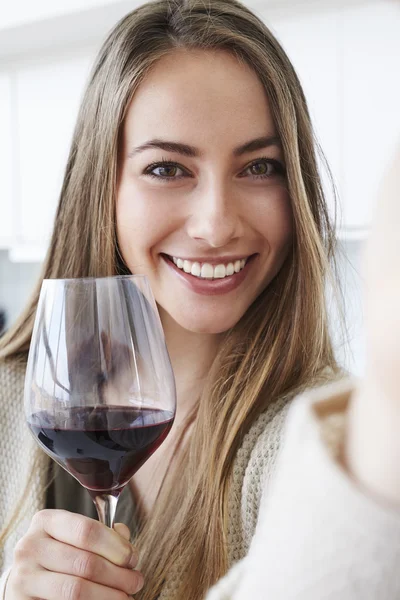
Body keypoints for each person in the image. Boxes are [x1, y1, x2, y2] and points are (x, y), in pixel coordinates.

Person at [0, 0, 399, 598]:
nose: (216, 224)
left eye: (260, 166)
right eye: (167, 169)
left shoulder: (317, 451)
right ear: (101, 188)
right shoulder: (13, 398)